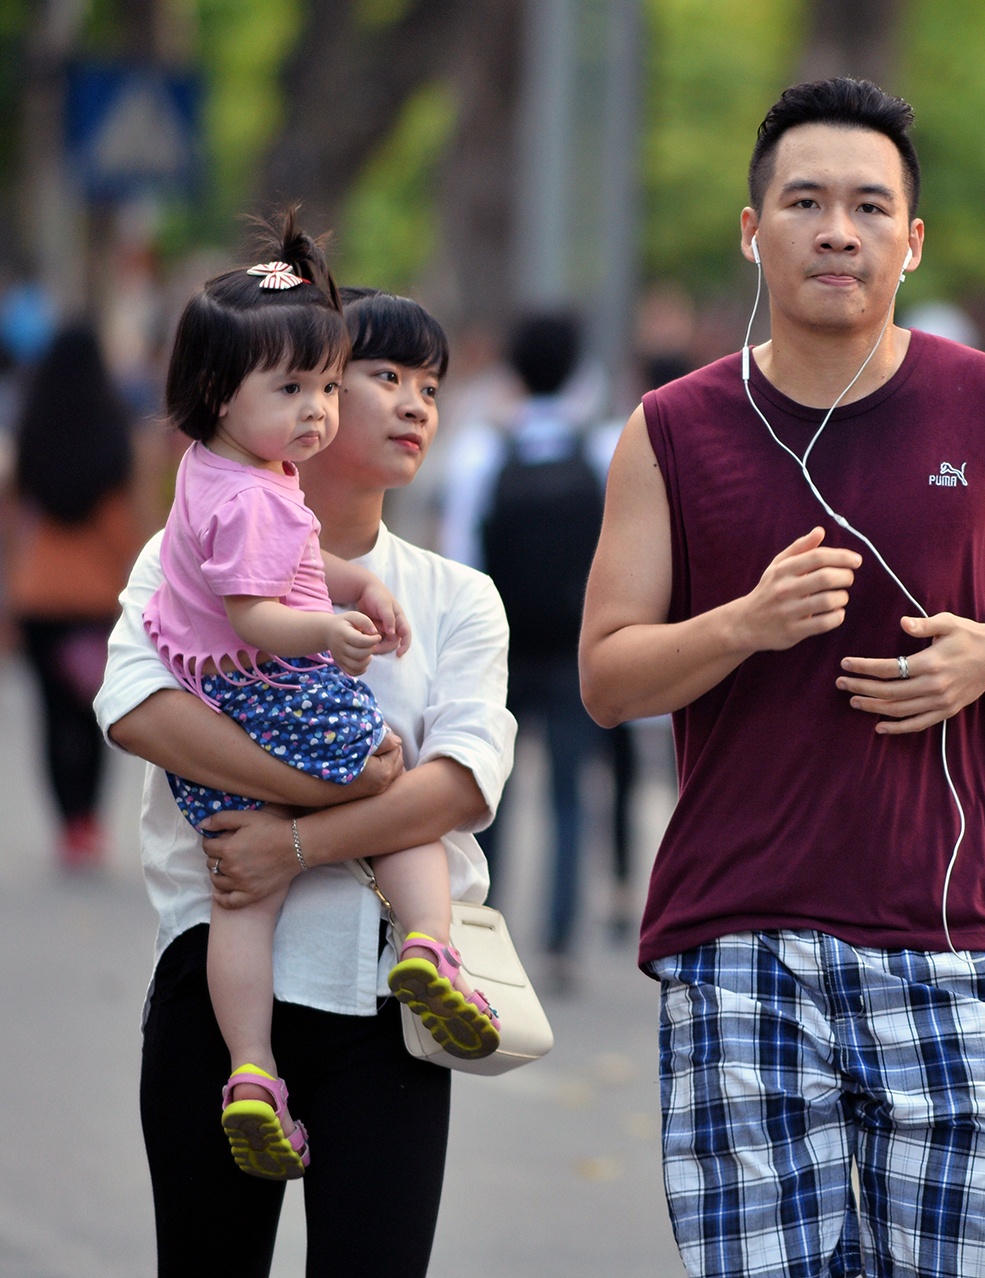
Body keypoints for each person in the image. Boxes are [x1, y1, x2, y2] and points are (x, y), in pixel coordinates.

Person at [578, 78, 985, 1275]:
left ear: (910, 239)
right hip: (739, 931)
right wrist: (744, 623)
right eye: (804, 202)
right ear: (754, 232)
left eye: (868, 206)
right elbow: (608, 678)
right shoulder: (673, 429)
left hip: (951, 933)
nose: (838, 229)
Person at [97, 280, 514, 1274]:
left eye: (432, 383)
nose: (415, 402)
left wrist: (290, 842)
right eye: (381, 375)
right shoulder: (188, 553)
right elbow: (136, 709)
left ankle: (431, 950)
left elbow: (461, 784)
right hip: (217, 994)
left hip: (387, 1010)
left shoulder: (456, 597)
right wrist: (349, 791)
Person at [440, 312, 620, 974]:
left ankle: (488, 927)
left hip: (502, 652)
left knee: (492, 793)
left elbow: (461, 562)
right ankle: (560, 942)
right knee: (573, 794)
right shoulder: (602, 452)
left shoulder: (482, 454)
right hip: (575, 650)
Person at [3, 325, 143, 869]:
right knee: (94, 713)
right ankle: (88, 821)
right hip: (96, 603)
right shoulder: (113, 438)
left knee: (51, 715)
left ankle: (67, 824)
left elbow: (13, 526)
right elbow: (123, 531)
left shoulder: (30, 438)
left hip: (38, 599)